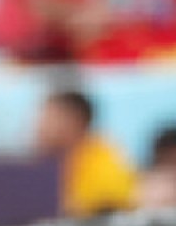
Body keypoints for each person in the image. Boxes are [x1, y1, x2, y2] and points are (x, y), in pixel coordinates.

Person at [30, 87, 136, 217]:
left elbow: (111, 204)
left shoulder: (104, 157)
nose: (39, 127)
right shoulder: (48, 161)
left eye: (49, 118)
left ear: (76, 121)